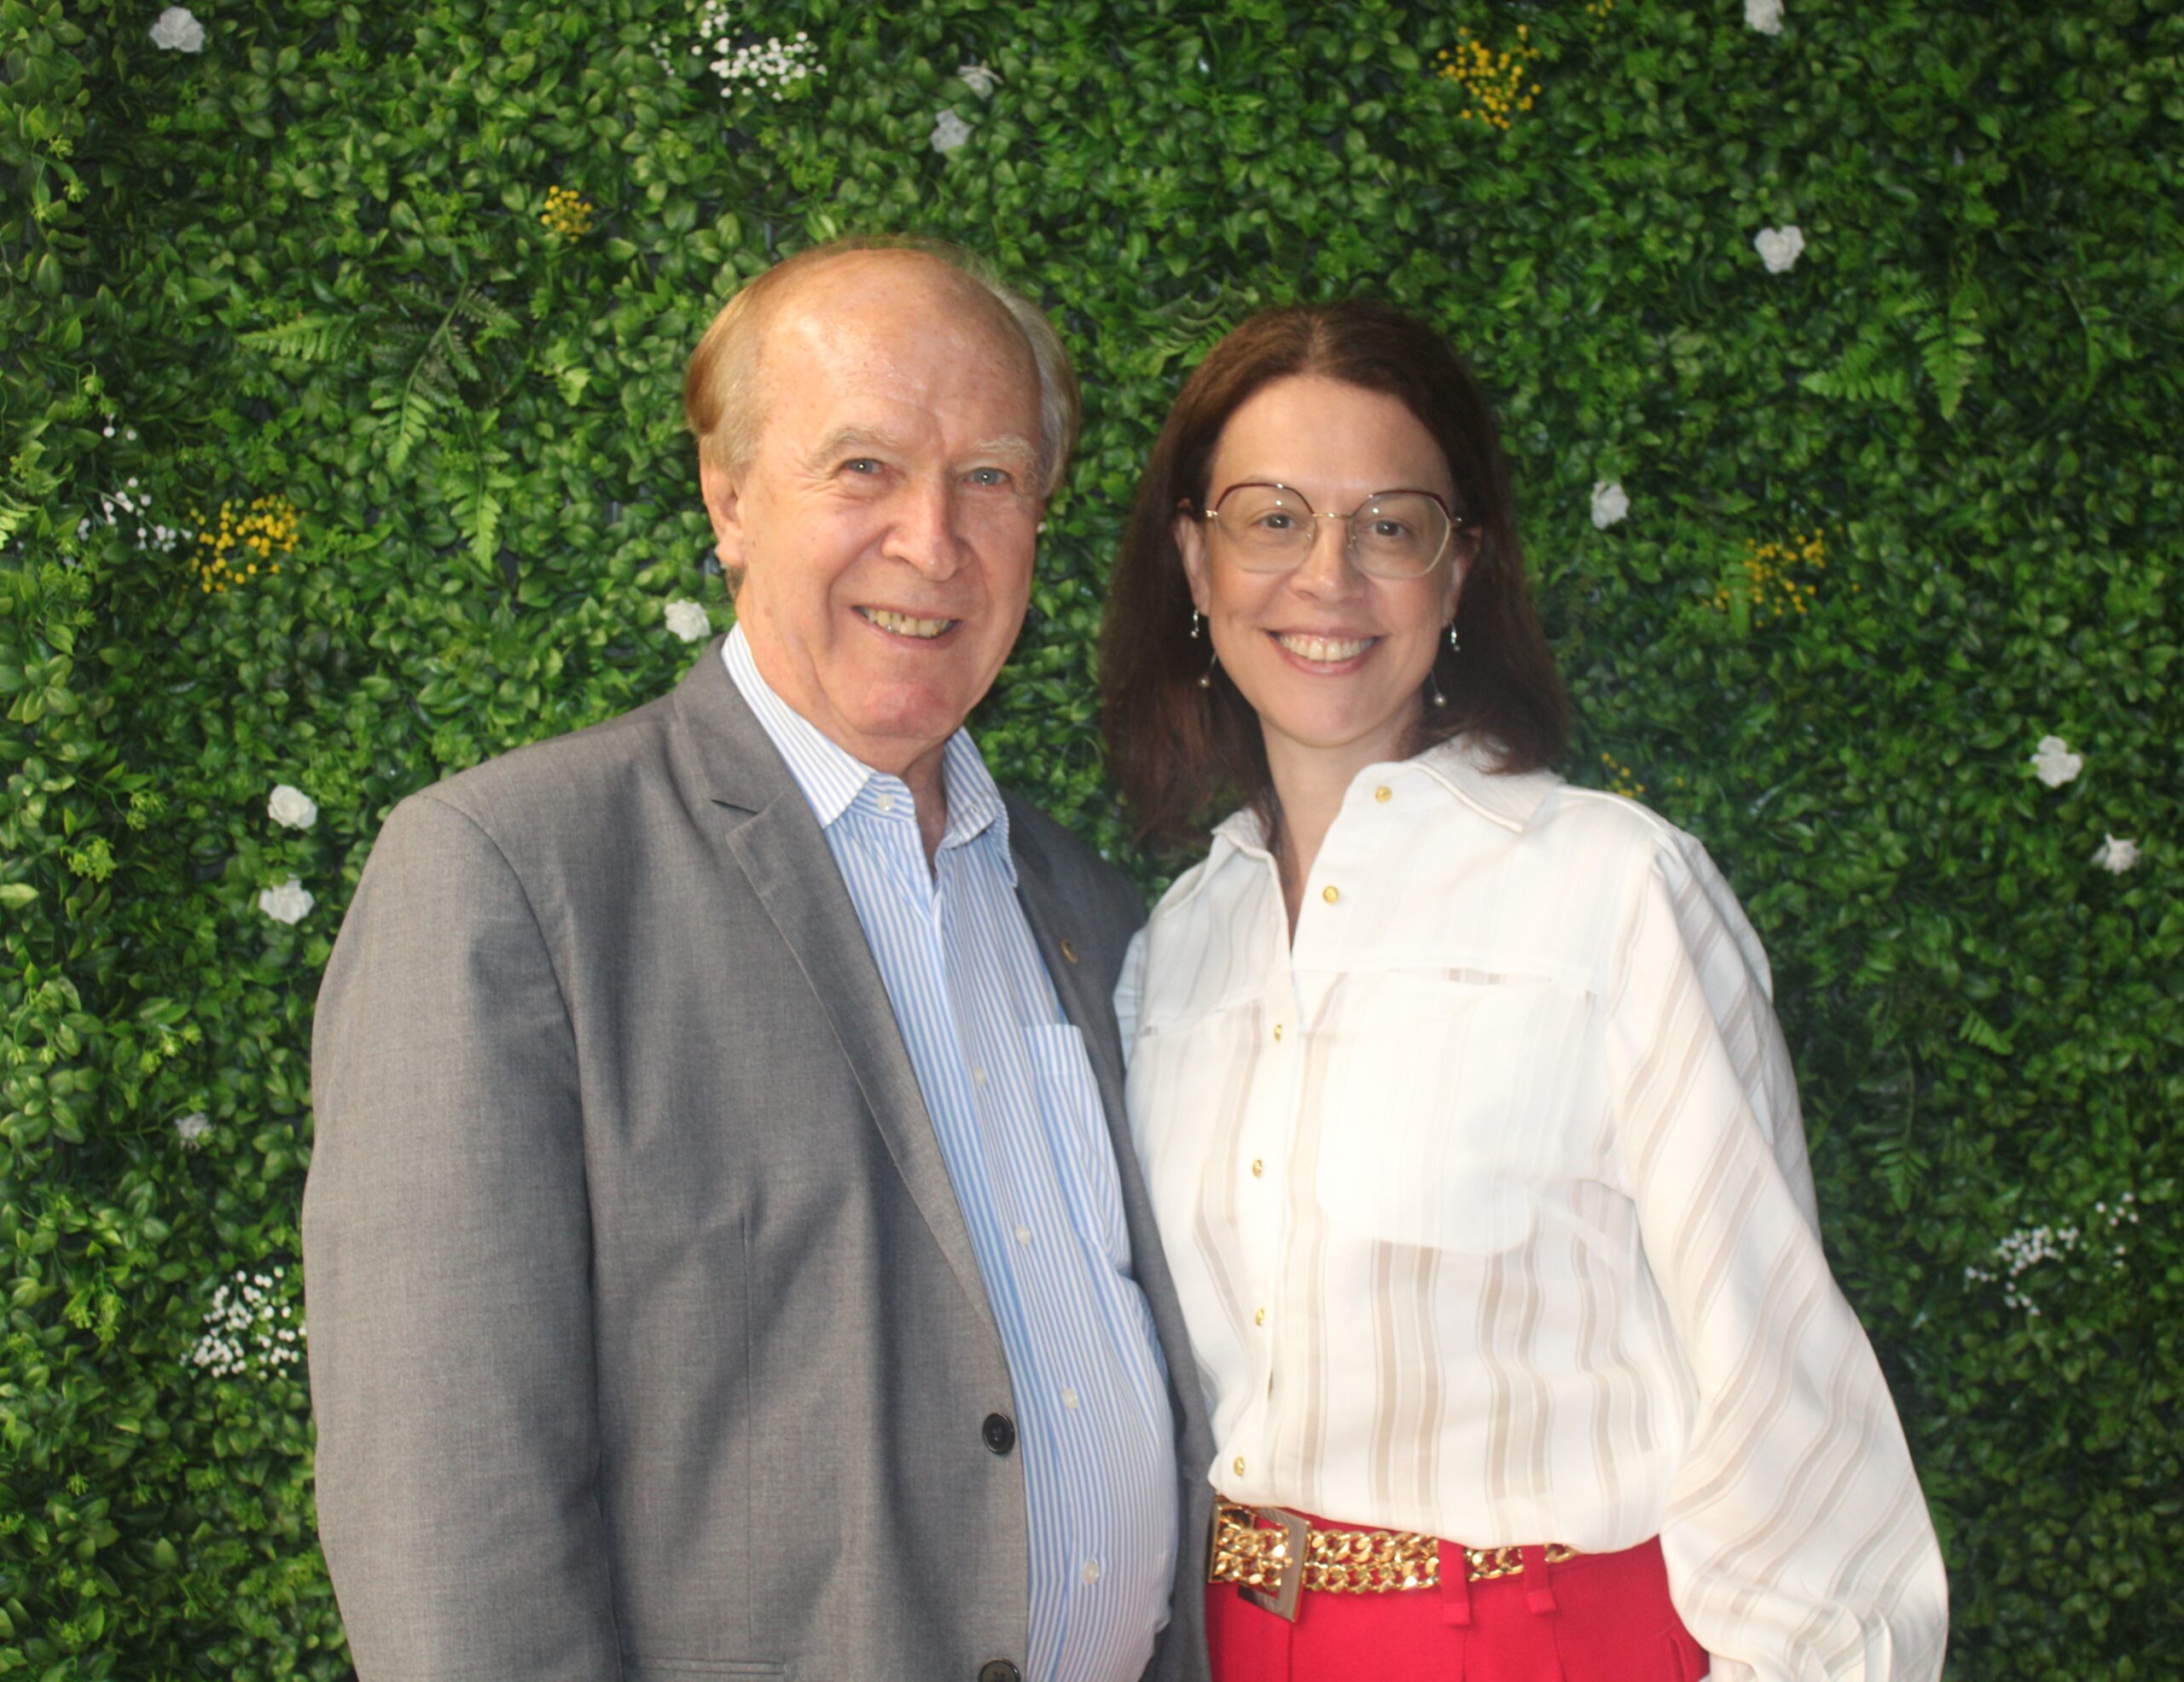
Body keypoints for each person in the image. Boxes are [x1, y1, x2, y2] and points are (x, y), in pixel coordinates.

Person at [303, 237, 1212, 1682]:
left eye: (989, 477)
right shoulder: (513, 878)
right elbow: (444, 1516)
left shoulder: (1092, 915)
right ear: (729, 500)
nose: (933, 539)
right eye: (863, 468)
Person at [1099, 300, 1948, 1681]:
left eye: (1391, 525)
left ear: (1461, 571)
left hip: (1539, 1643)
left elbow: (1779, 1391)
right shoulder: (1177, 948)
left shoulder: (1614, 894)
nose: (1328, 575)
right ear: (1196, 560)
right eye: (1272, 519)